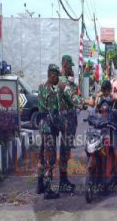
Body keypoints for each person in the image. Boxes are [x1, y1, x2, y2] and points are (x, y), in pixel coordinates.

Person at [58, 55, 94, 193]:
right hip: (66, 122)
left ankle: (64, 180)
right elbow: (74, 99)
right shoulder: (63, 82)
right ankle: (62, 182)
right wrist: (86, 103)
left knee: (66, 152)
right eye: (70, 66)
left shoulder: (66, 81)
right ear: (65, 64)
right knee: (64, 152)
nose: (71, 69)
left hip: (69, 121)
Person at [95, 80, 117, 195]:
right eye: (104, 92)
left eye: (107, 92)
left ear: (110, 90)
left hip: (112, 130)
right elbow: (95, 111)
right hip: (101, 131)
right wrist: (98, 97)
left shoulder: (114, 100)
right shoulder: (101, 100)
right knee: (95, 150)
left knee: (116, 153)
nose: (106, 95)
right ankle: (96, 178)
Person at [36, 64, 60, 199]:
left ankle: (39, 185)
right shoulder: (51, 92)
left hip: (41, 126)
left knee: (41, 156)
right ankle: (47, 189)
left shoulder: (41, 88)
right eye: (57, 76)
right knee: (49, 160)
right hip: (49, 128)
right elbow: (53, 115)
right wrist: (60, 126)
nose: (58, 78)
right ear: (52, 75)